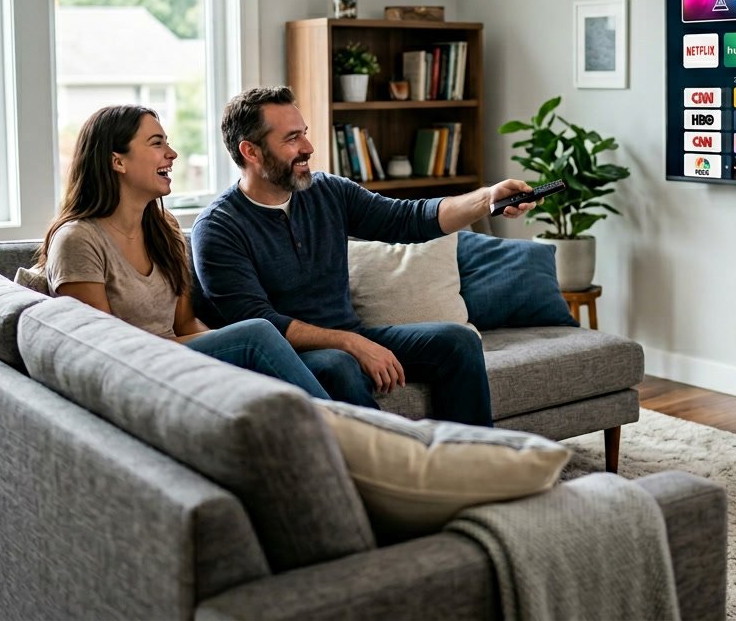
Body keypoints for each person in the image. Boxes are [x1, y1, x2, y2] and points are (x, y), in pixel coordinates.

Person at [191, 86, 539, 427]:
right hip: (289, 358)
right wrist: (351, 342)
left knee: (456, 341)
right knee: (338, 364)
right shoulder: (219, 228)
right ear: (250, 151)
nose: (308, 148)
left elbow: (408, 218)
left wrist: (487, 199)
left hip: (349, 336)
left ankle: (474, 463)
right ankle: (387, 474)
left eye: (305, 134)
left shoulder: (327, 191)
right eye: (292, 138)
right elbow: (261, 324)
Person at [37, 105, 330, 399]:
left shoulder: (164, 228)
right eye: (156, 143)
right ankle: (342, 433)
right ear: (117, 161)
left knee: (324, 361)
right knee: (257, 334)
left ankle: (335, 429)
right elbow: (102, 347)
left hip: (179, 361)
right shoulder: (78, 240)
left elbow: (185, 324)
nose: (172, 154)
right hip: (133, 371)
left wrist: (228, 353)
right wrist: (242, 344)